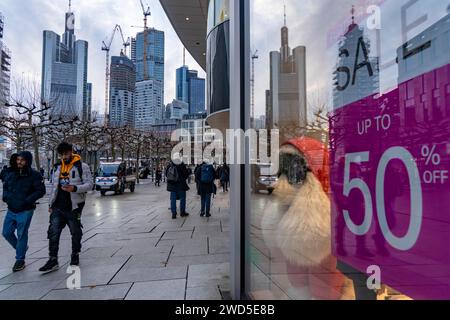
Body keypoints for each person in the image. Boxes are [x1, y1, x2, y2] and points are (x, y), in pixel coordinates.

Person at [39, 142, 93, 273]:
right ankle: (53, 259)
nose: (64, 156)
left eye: (66, 153)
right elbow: (54, 187)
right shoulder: (57, 167)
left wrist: (74, 188)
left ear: (71, 151)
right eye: (61, 154)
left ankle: (75, 255)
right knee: (53, 232)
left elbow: (90, 185)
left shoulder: (81, 166)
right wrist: (51, 204)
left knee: (75, 232)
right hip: (57, 206)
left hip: (73, 206)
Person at [2, 151, 46, 272]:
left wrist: (28, 200)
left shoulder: (35, 175)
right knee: (6, 232)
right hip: (11, 208)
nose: (19, 162)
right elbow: (5, 185)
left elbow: (41, 191)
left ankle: (20, 260)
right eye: (18, 159)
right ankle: (21, 248)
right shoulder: (11, 173)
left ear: (27, 161)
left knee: (22, 234)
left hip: (25, 210)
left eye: (22, 160)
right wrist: (6, 197)